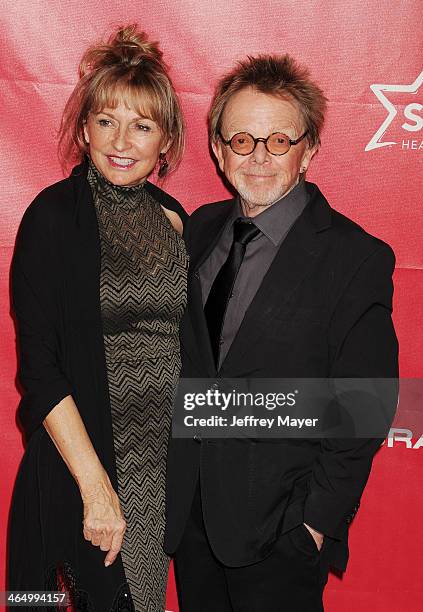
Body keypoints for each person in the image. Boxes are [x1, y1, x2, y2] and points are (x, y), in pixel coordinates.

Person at [165, 55, 399, 611]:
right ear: (219, 150)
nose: (259, 157)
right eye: (242, 140)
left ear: (309, 149)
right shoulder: (196, 229)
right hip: (191, 523)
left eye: (278, 141)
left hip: (281, 534)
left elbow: (366, 403)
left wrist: (314, 524)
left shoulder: (354, 256)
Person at [8, 24, 188, 612]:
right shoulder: (52, 219)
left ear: (165, 142)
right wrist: (97, 490)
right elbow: (41, 371)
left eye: (142, 125)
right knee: (41, 601)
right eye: (106, 120)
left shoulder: (175, 220)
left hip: (156, 471)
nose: (121, 140)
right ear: (84, 129)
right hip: (79, 467)